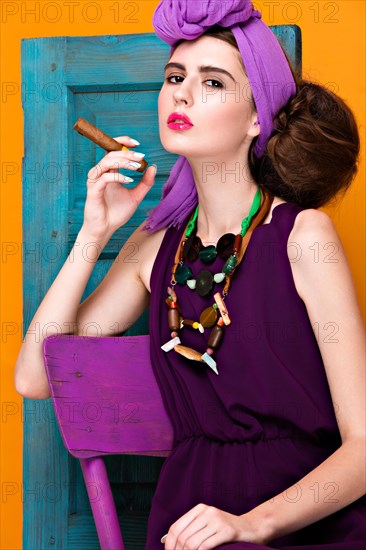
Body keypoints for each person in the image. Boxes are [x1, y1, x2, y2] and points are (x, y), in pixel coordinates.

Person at [15, 0, 365, 548]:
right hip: (187, 520)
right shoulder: (154, 248)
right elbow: (35, 378)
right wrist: (94, 234)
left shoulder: (303, 236)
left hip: (300, 524)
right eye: (175, 76)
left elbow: (364, 447)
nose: (181, 93)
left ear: (257, 118)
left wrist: (252, 524)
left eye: (213, 82)